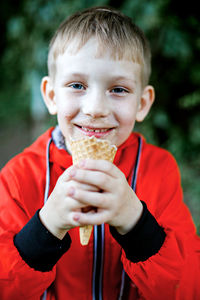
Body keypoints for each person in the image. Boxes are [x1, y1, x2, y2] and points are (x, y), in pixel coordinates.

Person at [0, 6, 199, 300]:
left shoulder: (158, 170)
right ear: (52, 96)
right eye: (77, 85)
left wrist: (136, 222)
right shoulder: (19, 177)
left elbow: (188, 288)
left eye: (118, 89)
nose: (95, 108)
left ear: (142, 103)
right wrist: (47, 226)